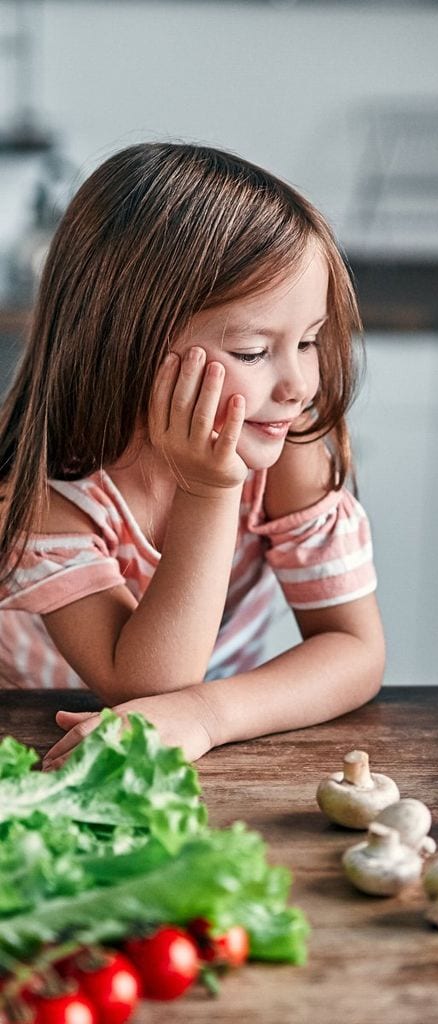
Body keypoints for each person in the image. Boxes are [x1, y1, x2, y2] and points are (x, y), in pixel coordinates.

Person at [0, 143, 385, 767]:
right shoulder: (44, 489)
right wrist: (211, 490)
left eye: (309, 341)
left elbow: (353, 646)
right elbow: (148, 689)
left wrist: (210, 714)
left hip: (213, 741)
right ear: (126, 341)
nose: (297, 386)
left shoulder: (290, 445)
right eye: (255, 352)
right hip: (48, 751)